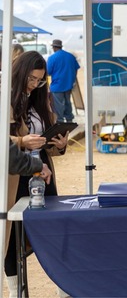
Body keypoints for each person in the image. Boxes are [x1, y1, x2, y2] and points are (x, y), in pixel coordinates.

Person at [6, 51, 69, 297]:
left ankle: (63, 286)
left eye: (40, 80)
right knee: (11, 235)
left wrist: (58, 144)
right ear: (19, 73)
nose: (35, 85)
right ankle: (15, 291)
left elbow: (44, 139)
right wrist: (22, 140)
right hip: (15, 175)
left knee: (50, 228)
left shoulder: (42, 99)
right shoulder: (5, 98)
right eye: (31, 79)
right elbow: (3, 141)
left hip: (43, 173)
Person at [47, 39, 80, 123]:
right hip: (68, 84)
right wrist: (72, 79)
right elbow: (76, 69)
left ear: (54, 47)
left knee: (58, 105)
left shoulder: (52, 58)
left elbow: (48, 72)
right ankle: (69, 119)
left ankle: (60, 120)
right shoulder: (70, 56)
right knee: (68, 103)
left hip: (57, 86)